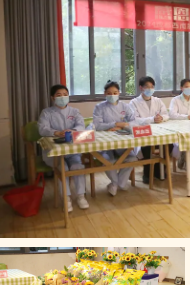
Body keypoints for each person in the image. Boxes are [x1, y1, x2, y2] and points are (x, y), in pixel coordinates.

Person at [37, 84, 88, 212]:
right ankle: (66, 198)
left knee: (77, 166)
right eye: (59, 95)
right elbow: (42, 129)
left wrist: (73, 130)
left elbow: (81, 125)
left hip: (72, 150)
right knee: (63, 168)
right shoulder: (46, 112)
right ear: (52, 97)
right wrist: (56, 132)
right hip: (54, 152)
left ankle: (81, 196)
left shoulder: (74, 111)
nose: (62, 97)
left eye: (65, 95)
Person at [92, 80, 138, 196]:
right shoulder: (99, 107)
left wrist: (123, 126)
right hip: (105, 143)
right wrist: (115, 124)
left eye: (115, 93)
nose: (112, 95)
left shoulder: (125, 106)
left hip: (122, 141)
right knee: (108, 160)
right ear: (104, 93)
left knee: (132, 158)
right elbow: (97, 125)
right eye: (109, 93)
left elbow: (133, 122)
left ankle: (119, 183)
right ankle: (116, 183)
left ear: (119, 93)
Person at [129, 76, 170, 184]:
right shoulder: (134, 102)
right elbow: (134, 120)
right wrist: (152, 119)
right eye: (147, 87)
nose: (150, 89)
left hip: (159, 131)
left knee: (169, 144)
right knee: (146, 146)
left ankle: (159, 170)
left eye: (152, 87)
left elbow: (166, 114)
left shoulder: (158, 101)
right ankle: (147, 172)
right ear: (141, 88)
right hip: (144, 132)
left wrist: (161, 118)